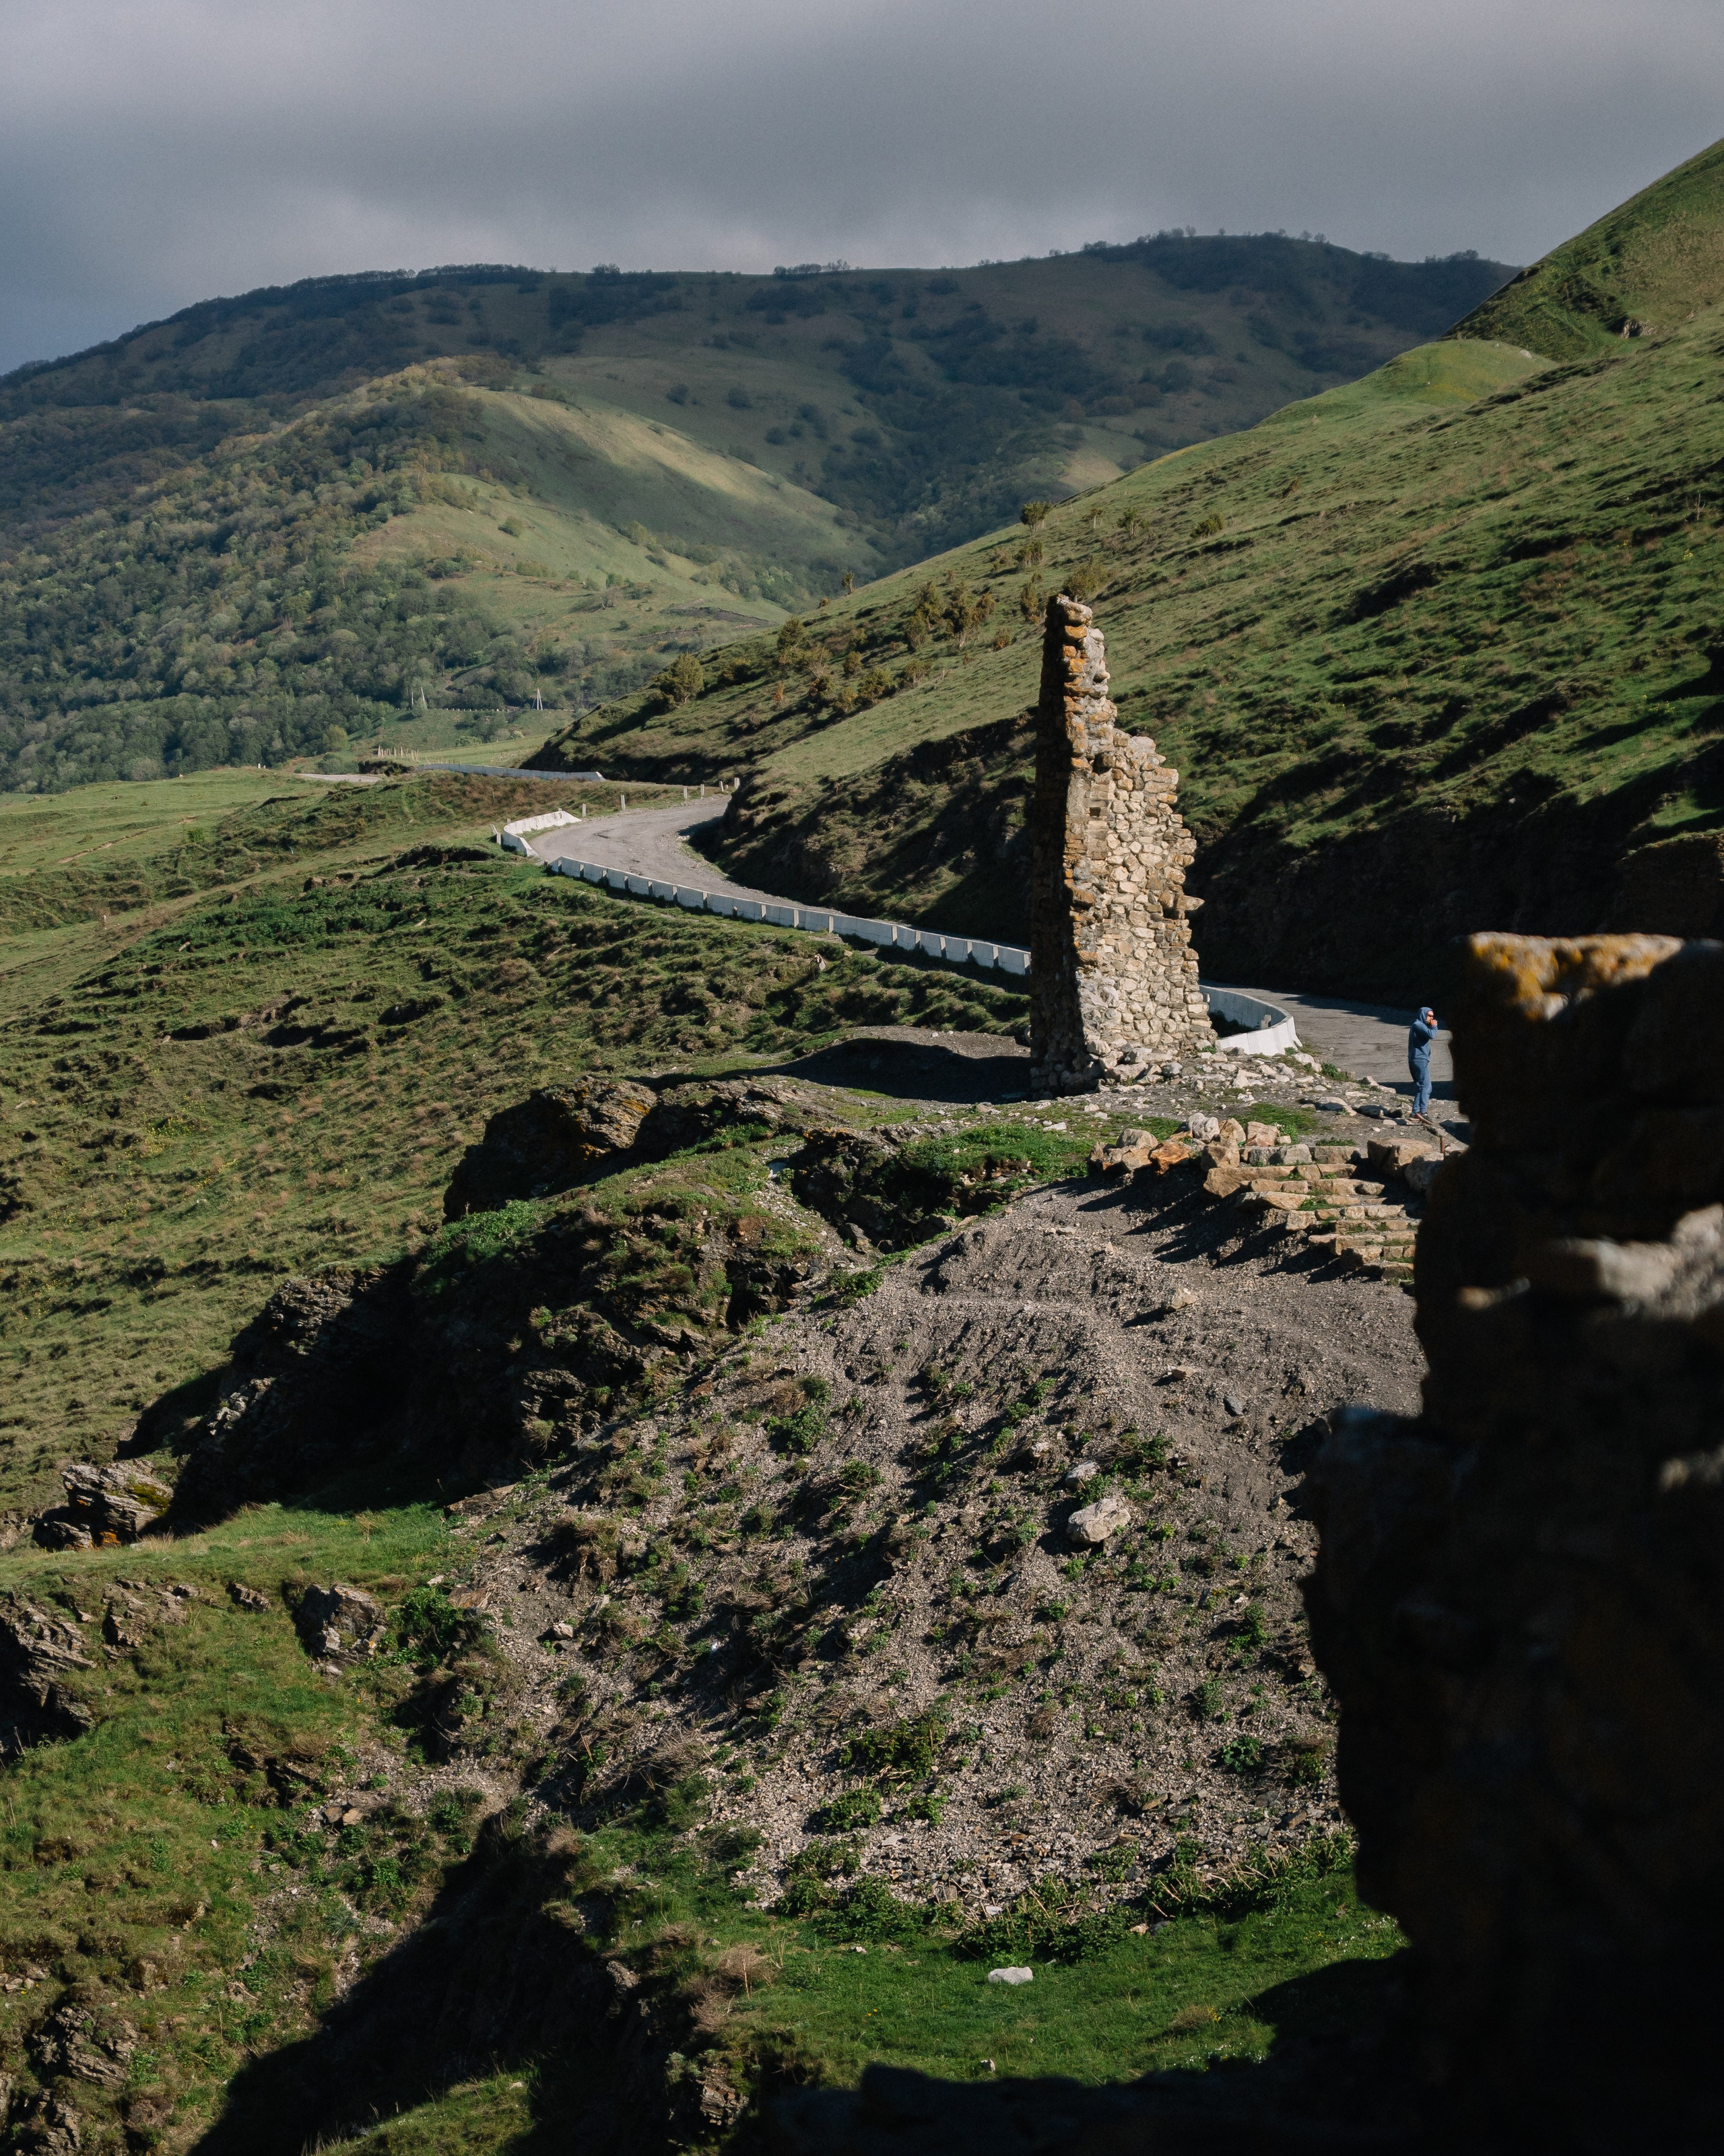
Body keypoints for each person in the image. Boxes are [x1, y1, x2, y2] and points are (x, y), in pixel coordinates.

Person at [1408, 1006, 1438, 1120]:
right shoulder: (1418, 1025)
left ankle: (1415, 1112)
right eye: (1429, 1016)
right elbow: (1432, 1035)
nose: (1431, 1018)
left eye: (1432, 1016)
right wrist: (1434, 1027)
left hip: (1416, 1059)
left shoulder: (1418, 1025)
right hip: (1420, 1059)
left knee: (1420, 1087)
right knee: (1426, 1086)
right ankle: (1423, 1112)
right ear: (1423, 1015)